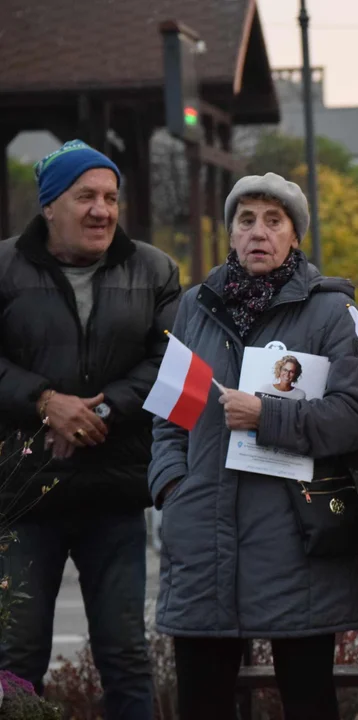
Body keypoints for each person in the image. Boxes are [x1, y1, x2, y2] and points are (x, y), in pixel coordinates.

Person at [149, 173, 358, 720]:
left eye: (274, 221)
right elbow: (169, 423)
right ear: (230, 233)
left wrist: (265, 415)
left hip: (295, 541)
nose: (258, 232)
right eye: (245, 220)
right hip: (204, 538)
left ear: (295, 235)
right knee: (203, 702)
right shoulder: (195, 308)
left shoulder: (331, 313)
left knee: (308, 701)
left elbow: (352, 419)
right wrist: (172, 488)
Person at [0, 140, 180, 718]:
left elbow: (172, 359)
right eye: (86, 197)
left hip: (114, 491)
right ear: (49, 205)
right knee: (16, 655)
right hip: (23, 491)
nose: (102, 209)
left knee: (126, 654)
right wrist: (46, 403)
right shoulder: (3, 267)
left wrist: (101, 412)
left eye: (110, 197)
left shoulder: (154, 268)